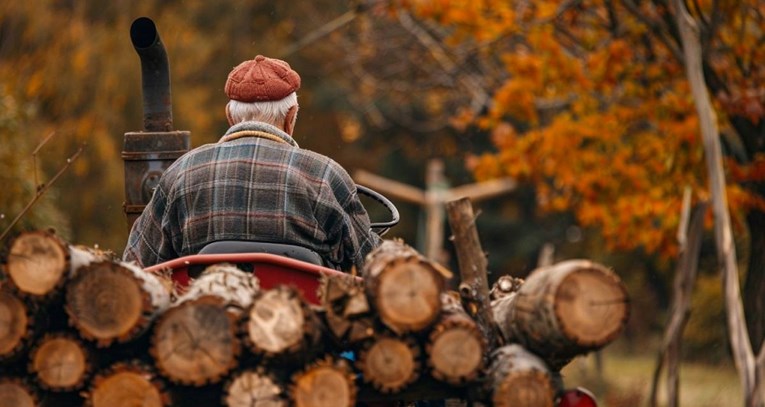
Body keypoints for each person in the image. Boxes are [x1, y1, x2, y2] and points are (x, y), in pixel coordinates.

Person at [123, 55, 381, 271]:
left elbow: (136, 265)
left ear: (230, 117)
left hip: (206, 323)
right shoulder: (325, 176)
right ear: (291, 117)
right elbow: (372, 266)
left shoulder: (180, 173)